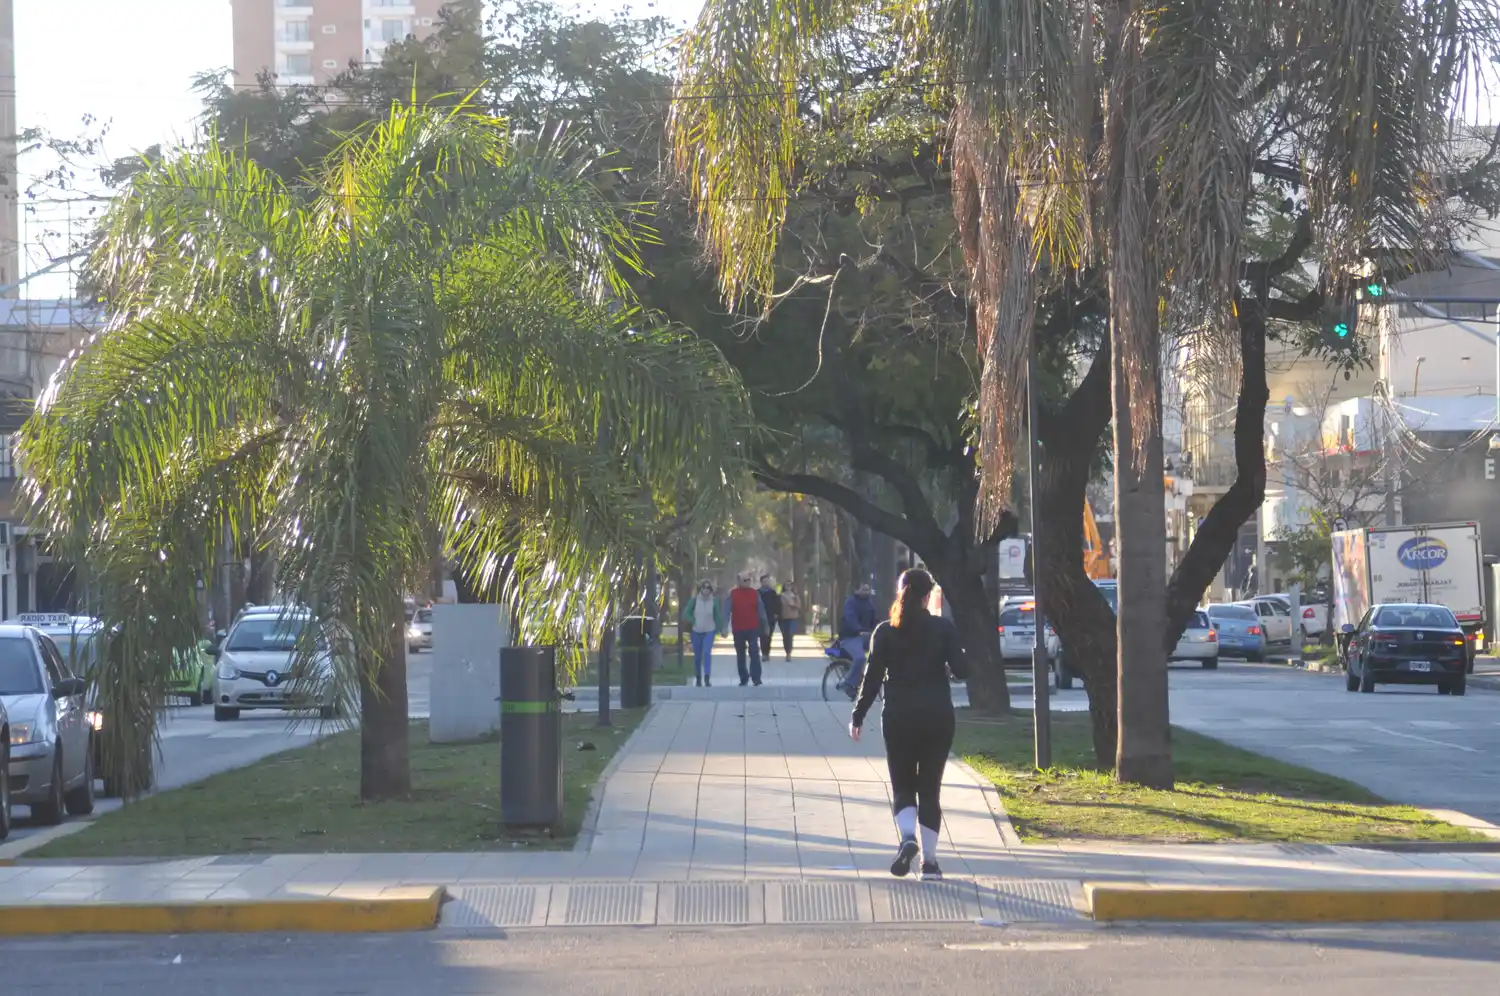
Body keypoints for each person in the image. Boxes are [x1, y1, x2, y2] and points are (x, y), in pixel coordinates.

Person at [849, 568, 968, 881]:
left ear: (899, 592)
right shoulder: (943, 629)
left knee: (903, 784)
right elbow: (963, 670)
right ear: (928, 595)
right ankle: (929, 863)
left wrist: (858, 715)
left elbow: (872, 678)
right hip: (937, 716)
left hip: (899, 716)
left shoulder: (886, 631)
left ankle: (907, 838)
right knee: (930, 788)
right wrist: (951, 663)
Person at [681, 580, 728, 687]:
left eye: (708, 588)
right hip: (696, 631)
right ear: (700, 589)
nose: (706, 590)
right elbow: (686, 614)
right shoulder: (694, 601)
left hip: (709, 631)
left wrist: (722, 629)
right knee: (697, 656)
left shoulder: (714, 601)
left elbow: (717, 616)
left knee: (707, 653)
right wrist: (694, 621)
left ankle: (707, 678)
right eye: (704, 587)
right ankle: (698, 678)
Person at [837, 582, 879, 698]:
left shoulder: (870, 603)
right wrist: (858, 630)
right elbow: (850, 618)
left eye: (868, 590)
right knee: (860, 657)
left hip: (865, 637)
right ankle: (848, 683)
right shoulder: (851, 602)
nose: (866, 592)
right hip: (851, 637)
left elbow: (874, 620)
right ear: (856, 590)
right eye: (864, 590)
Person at [727, 573, 768, 686]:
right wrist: (724, 627)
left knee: (754, 652)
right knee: (740, 653)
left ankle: (756, 678)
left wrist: (765, 626)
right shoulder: (733, 594)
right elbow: (727, 610)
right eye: (745, 580)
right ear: (739, 581)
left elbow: (761, 611)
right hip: (738, 628)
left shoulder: (755, 594)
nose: (747, 582)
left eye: (749, 580)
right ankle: (743, 678)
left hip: (753, 628)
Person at [758, 575, 782, 659]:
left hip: (770, 617)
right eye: (764, 581)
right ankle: (763, 653)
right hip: (760, 617)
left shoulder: (773, 593)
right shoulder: (758, 592)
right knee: (762, 635)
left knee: (769, 635)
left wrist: (776, 614)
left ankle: (767, 652)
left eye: (768, 581)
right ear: (761, 582)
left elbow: (777, 604)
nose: (766, 583)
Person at [778, 584, 802, 661]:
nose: (788, 587)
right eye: (787, 585)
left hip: (793, 618)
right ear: (784, 587)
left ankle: (789, 653)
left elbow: (798, 605)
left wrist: (795, 600)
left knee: (790, 635)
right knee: (785, 636)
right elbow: (779, 605)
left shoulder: (795, 596)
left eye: (790, 585)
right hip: (783, 618)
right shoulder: (781, 596)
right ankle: (786, 651)